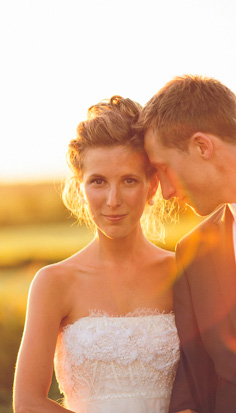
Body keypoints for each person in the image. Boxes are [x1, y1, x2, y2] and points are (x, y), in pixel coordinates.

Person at [13, 96, 180, 412]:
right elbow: (28, 403)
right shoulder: (54, 282)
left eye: (129, 180)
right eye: (98, 182)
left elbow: (210, 388)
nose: (113, 199)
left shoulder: (182, 272)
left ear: (152, 186)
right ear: (80, 188)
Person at [138, 74, 236, 413]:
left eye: (163, 168)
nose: (165, 192)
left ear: (202, 146)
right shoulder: (193, 253)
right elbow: (195, 379)